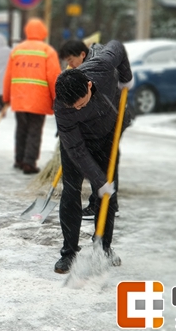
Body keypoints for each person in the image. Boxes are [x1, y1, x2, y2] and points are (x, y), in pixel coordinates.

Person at [53, 39, 134, 274]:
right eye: (73, 107)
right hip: (77, 143)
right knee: (71, 190)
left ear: (89, 86)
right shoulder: (62, 107)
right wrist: (98, 180)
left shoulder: (102, 66)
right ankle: (69, 252)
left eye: (81, 104)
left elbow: (117, 46)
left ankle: (103, 247)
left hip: (107, 134)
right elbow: (76, 150)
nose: (77, 109)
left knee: (107, 193)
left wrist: (126, 77)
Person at [58, 39, 120, 221]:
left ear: (82, 55)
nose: (69, 64)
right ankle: (102, 203)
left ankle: (103, 205)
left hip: (108, 118)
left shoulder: (100, 68)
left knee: (101, 160)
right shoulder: (78, 72)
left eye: (71, 60)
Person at [2, 18, 61, 175]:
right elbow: (54, 77)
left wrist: (6, 97)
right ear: (43, 32)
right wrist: (58, 98)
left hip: (19, 98)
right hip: (39, 99)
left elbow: (8, 76)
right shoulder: (48, 51)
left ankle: (19, 159)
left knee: (21, 129)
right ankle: (29, 163)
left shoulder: (17, 50)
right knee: (34, 130)